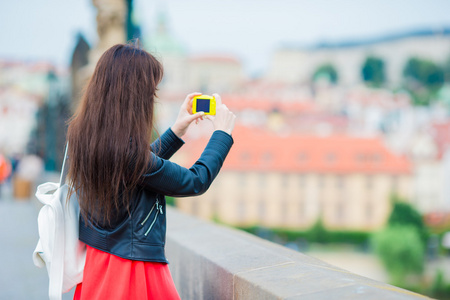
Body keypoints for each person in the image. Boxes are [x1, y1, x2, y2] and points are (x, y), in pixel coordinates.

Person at [67, 42, 236, 299]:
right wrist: (221, 135)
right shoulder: (128, 153)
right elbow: (194, 181)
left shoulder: (85, 136)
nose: (152, 100)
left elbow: (136, 170)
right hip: (132, 268)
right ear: (134, 97)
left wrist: (177, 130)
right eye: (151, 93)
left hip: (99, 262)